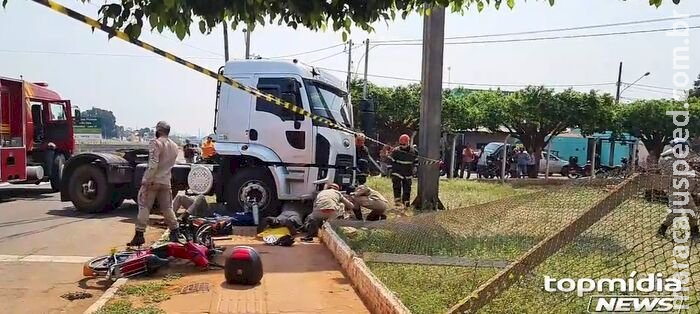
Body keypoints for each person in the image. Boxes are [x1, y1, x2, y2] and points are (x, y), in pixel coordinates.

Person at [128, 121, 180, 247]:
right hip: (166, 181)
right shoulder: (174, 146)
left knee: (144, 206)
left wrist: (146, 179)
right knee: (167, 208)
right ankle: (175, 232)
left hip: (153, 181)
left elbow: (153, 164)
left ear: (159, 130)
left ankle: (139, 234)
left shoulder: (155, 143)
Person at [657, 138, 700, 239]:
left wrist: (696, 173)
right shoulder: (666, 159)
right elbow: (676, 173)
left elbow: (688, 169)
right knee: (676, 212)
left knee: (692, 210)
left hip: (683, 188)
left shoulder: (678, 158)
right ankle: (662, 229)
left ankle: (695, 232)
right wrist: (694, 174)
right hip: (673, 188)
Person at [389, 134, 418, 207]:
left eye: (404, 144)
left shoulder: (413, 151)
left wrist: (415, 169)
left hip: (408, 173)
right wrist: (389, 170)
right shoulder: (396, 151)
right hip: (397, 172)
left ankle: (406, 203)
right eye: (401, 144)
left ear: (408, 143)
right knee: (396, 187)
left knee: (407, 189)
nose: (402, 146)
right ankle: (398, 203)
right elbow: (391, 161)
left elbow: (416, 162)